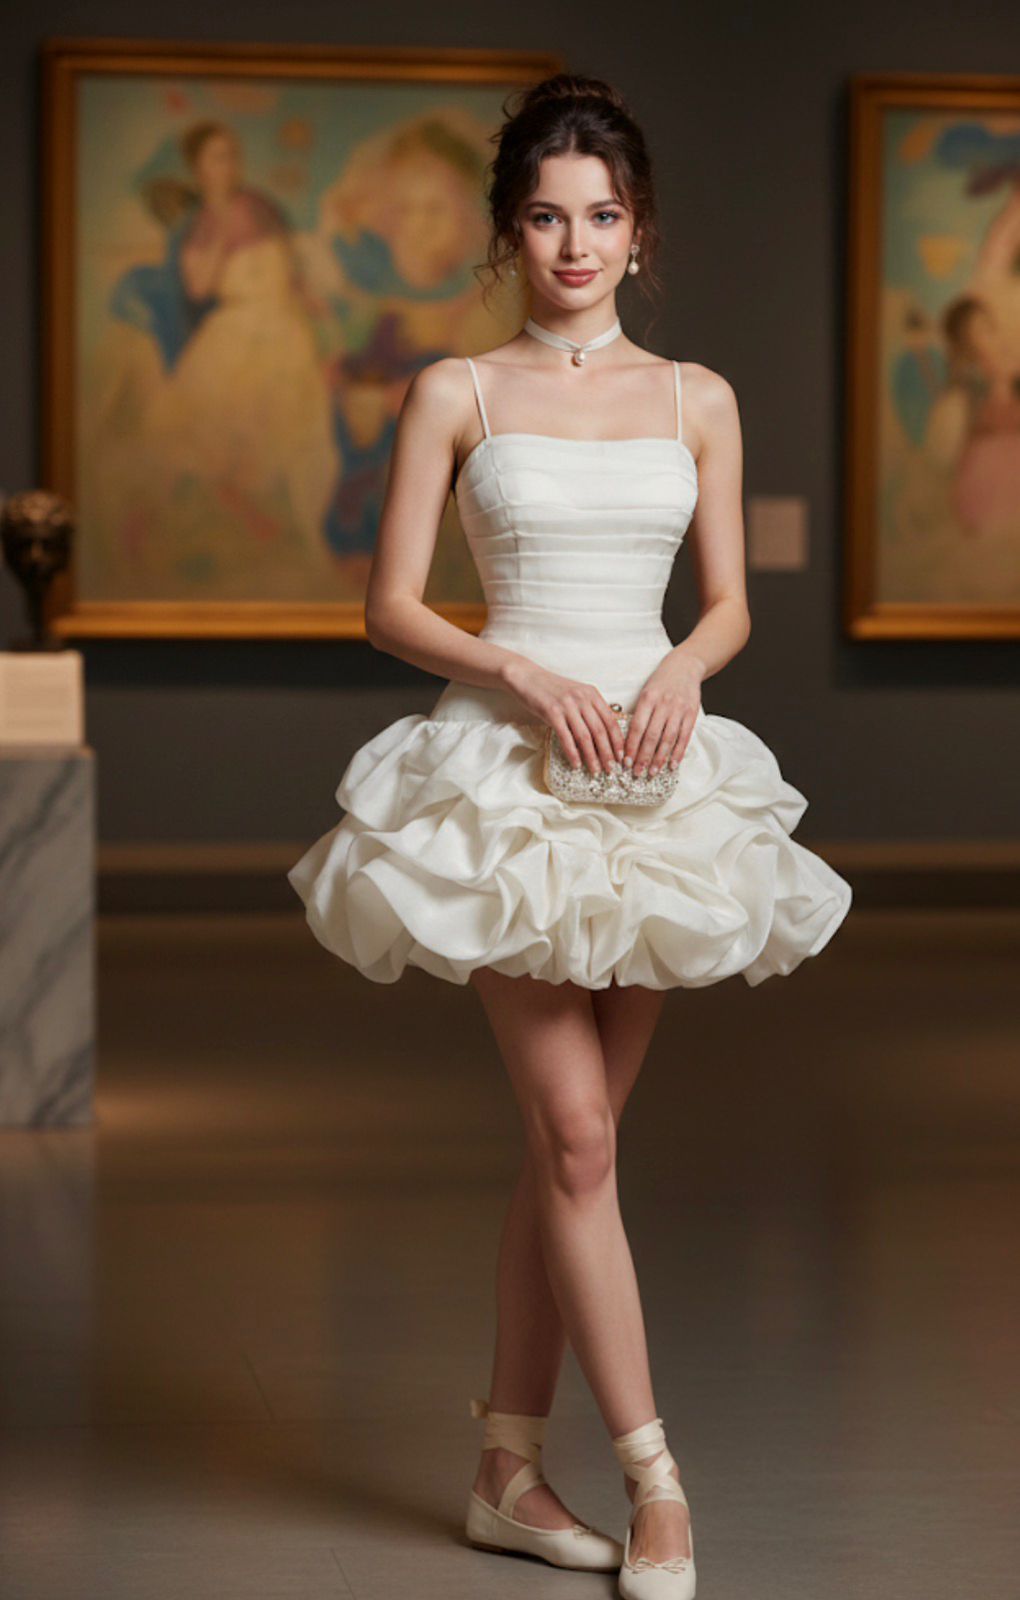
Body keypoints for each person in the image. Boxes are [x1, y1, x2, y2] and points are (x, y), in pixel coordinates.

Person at [288, 72, 853, 1600]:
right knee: (583, 1136)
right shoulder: (455, 393)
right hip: (508, 780)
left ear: (639, 227)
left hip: (655, 783)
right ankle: (655, 1479)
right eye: (545, 216)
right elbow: (390, 602)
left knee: (567, 1151)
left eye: (601, 215)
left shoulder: (699, 398)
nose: (575, 242)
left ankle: (501, 1471)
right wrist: (520, 669)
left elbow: (729, 602)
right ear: (509, 234)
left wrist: (679, 666)